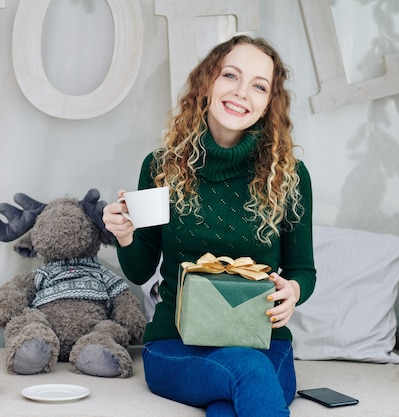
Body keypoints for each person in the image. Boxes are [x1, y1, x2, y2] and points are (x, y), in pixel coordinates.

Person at [103, 34, 316, 417]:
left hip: (264, 342)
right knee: (247, 373)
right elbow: (139, 270)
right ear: (208, 83)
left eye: (259, 86)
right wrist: (125, 234)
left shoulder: (290, 176)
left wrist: (294, 291)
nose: (241, 93)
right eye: (230, 76)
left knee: (226, 405)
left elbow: (303, 268)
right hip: (175, 343)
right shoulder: (160, 167)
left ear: (270, 103)